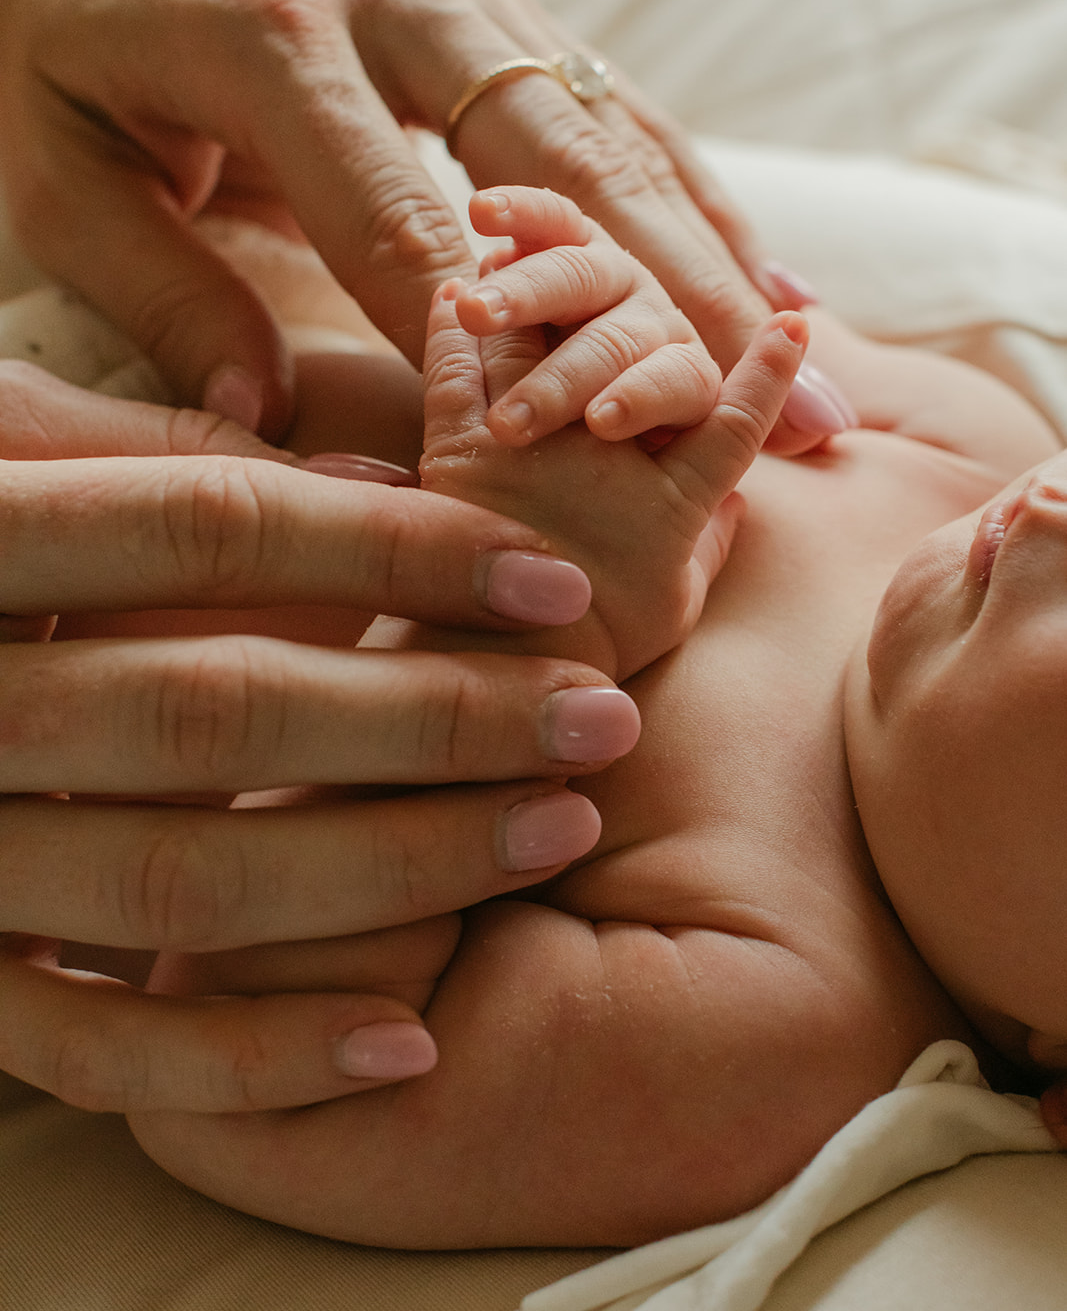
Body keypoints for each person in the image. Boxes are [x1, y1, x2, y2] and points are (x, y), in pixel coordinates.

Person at [0, 0, 859, 1119]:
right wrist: (574, 300)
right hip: (150, 236)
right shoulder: (989, 451)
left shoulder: (787, 998)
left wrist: (522, 623)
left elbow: (278, 1056)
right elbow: (684, 312)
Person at [48, 183, 1060, 1250]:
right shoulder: (969, 449)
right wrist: (604, 313)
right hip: (169, 284)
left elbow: (266, 1086)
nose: (1053, 501)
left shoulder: (775, 1020)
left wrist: (519, 604)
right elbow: (717, 312)